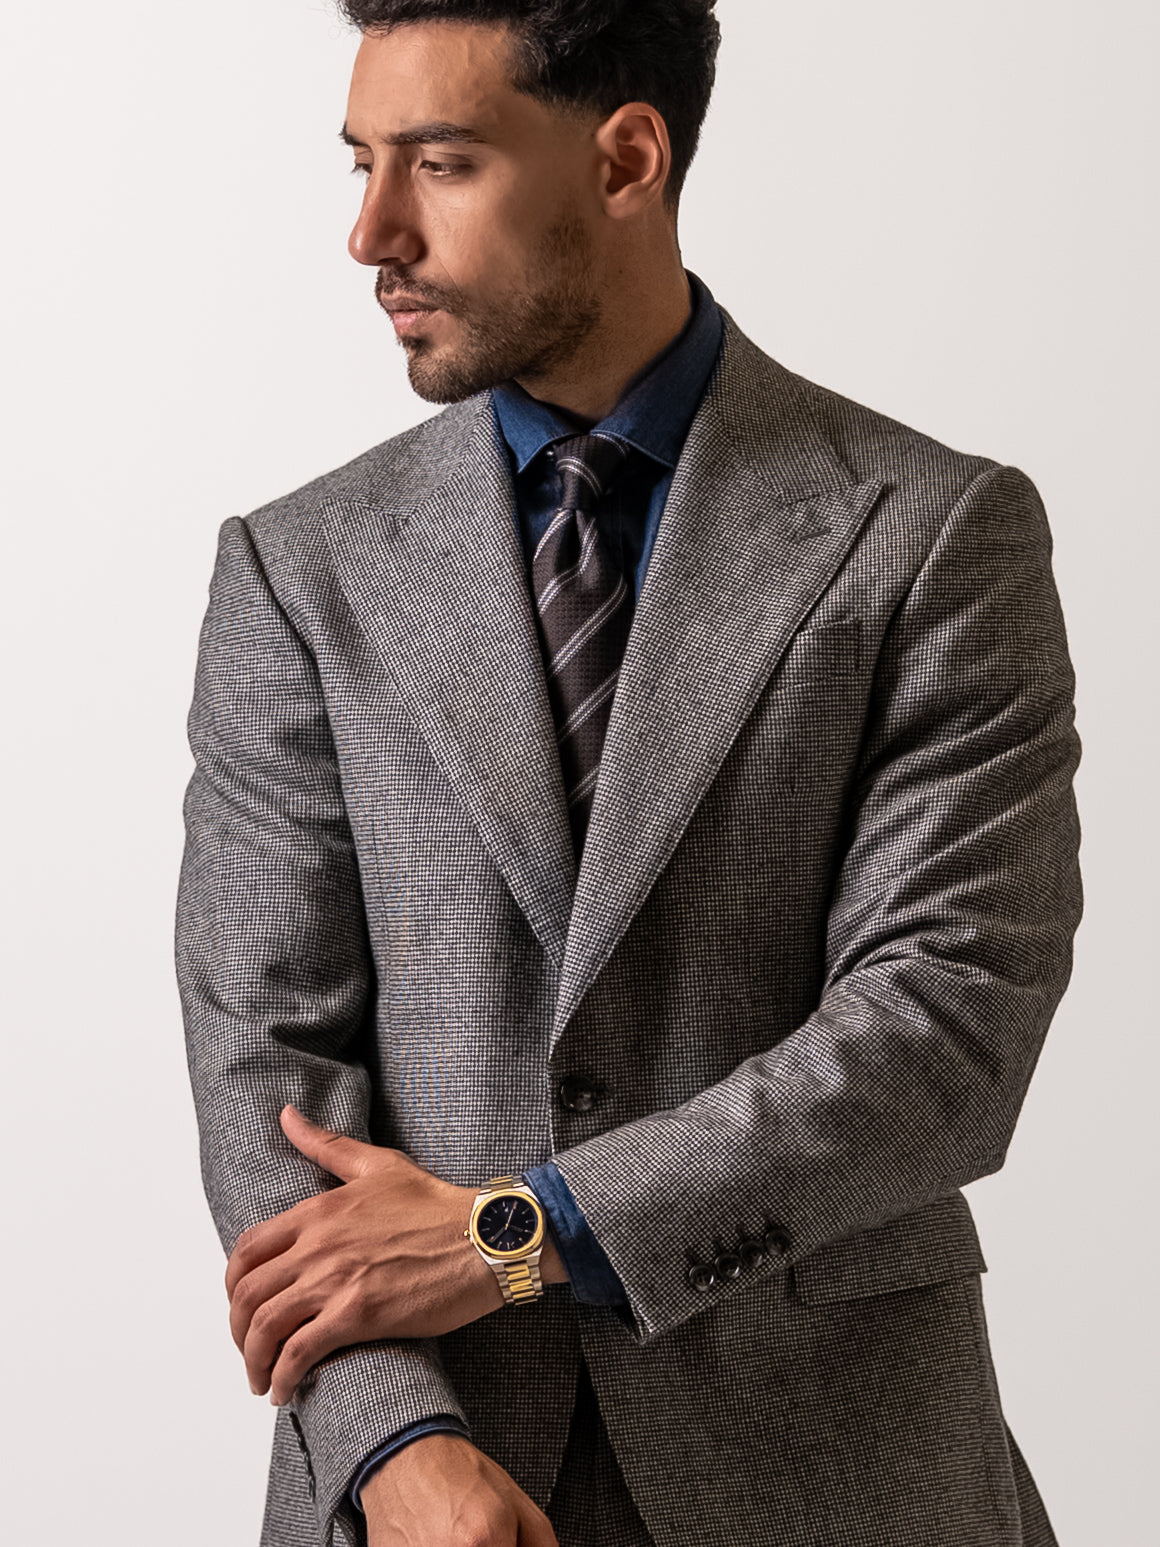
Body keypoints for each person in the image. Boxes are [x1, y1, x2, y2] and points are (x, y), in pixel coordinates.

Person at [176, 3, 1082, 1545]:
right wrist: (392, 1443)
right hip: (432, 1479)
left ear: (626, 158)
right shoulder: (300, 570)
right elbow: (262, 1063)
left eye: (440, 164)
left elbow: (945, 1034)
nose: (371, 233)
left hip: (835, 1472)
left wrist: (518, 1239)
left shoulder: (929, 536)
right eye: (360, 164)